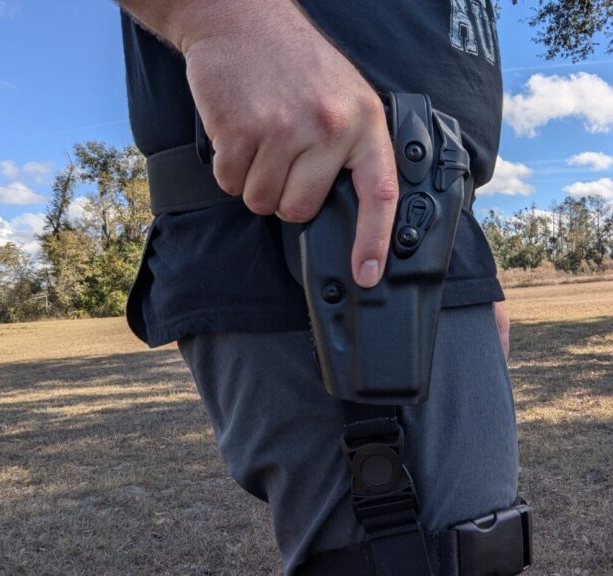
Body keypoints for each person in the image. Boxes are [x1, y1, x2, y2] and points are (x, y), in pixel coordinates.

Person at [116, 1, 522, 574]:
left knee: (476, 543)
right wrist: (220, 18)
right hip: (312, 212)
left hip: (427, 224)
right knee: (410, 555)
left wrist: (466, 256)